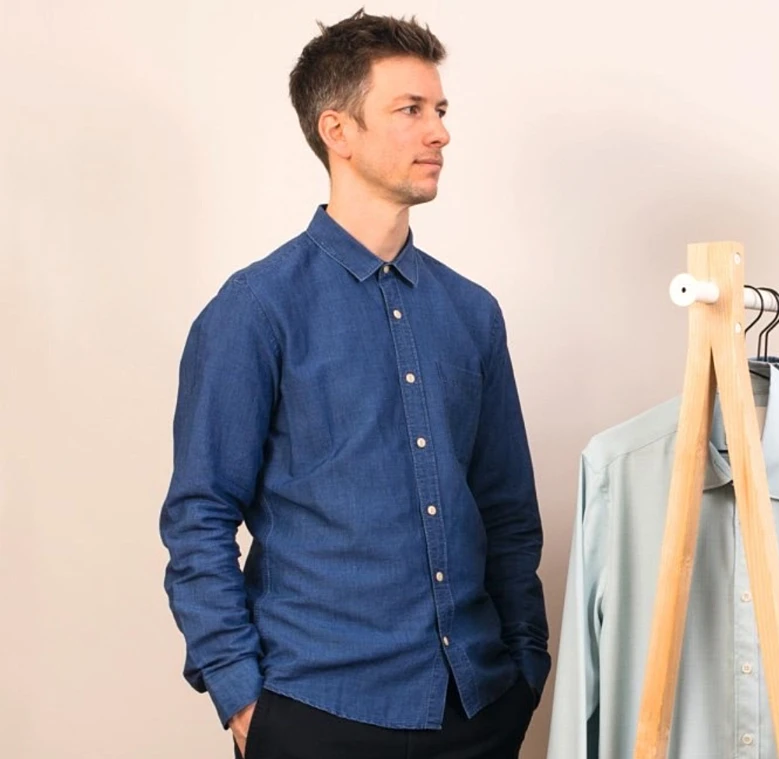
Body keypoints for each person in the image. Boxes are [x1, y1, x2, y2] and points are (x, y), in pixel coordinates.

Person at [159, 10, 549, 758]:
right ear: (336, 130)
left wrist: (525, 666)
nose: (439, 132)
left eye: (439, 111)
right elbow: (199, 515)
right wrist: (244, 700)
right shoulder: (256, 308)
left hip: (476, 706)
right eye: (410, 110)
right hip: (316, 710)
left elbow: (506, 512)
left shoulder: (473, 312)